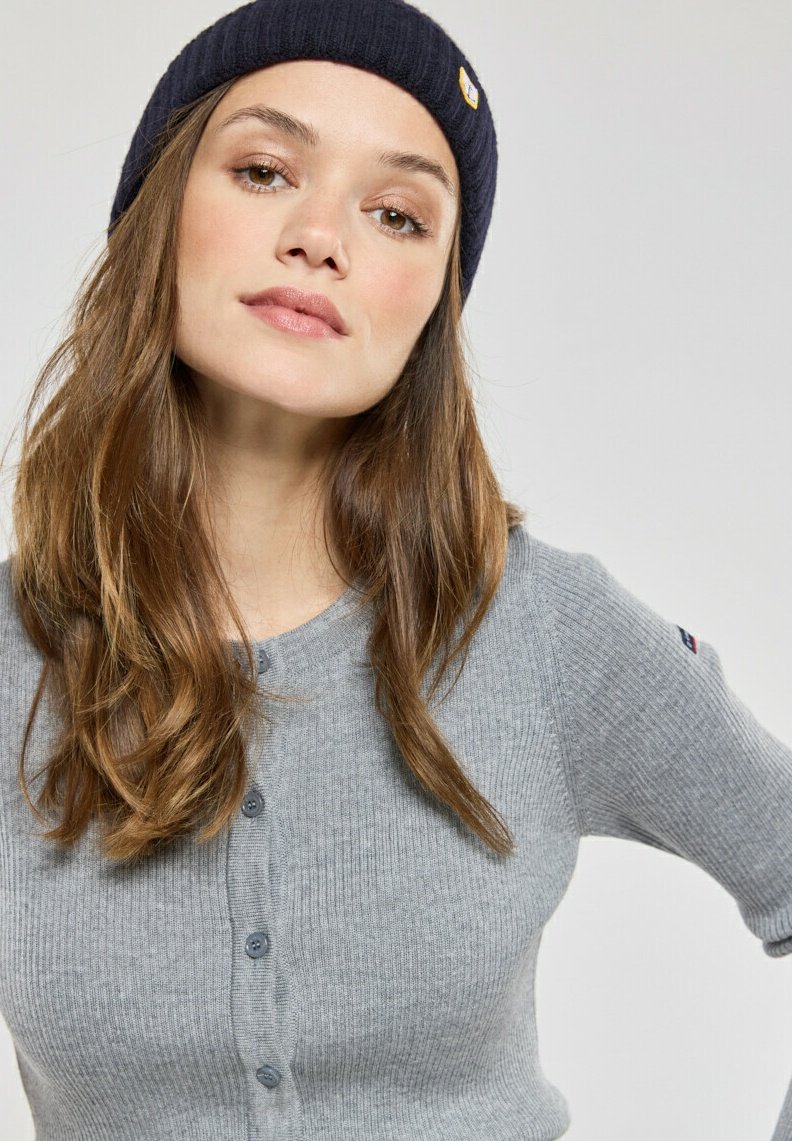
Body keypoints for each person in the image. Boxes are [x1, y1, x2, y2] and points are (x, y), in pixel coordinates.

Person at [1, 0, 790, 1138]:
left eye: (397, 215)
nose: (321, 237)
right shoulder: (14, 652)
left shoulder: (539, 627)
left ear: (432, 300)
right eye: (265, 171)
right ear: (158, 213)